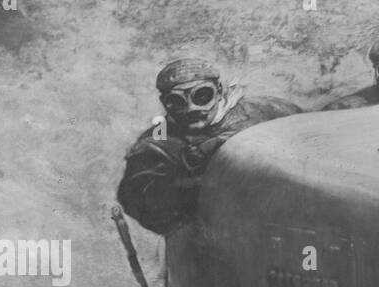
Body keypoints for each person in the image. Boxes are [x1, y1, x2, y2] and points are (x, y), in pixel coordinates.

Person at [117, 57, 301, 236]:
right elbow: (143, 201)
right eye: (178, 101)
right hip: (210, 245)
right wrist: (203, 169)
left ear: (219, 90)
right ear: (165, 102)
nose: (191, 109)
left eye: (202, 96)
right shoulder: (159, 140)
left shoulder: (266, 111)